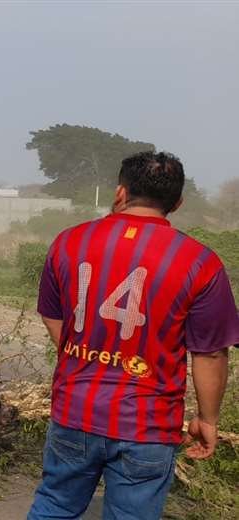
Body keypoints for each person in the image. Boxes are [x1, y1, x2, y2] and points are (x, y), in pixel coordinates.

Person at [27, 152, 238, 520]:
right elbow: (210, 354)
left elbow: (52, 315)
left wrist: (84, 356)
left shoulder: (68, 242)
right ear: (177, 203)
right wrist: (208, 419)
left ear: (120, 192)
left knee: (55, 506)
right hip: (149, 424)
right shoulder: (200, 262)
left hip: (75, 410)